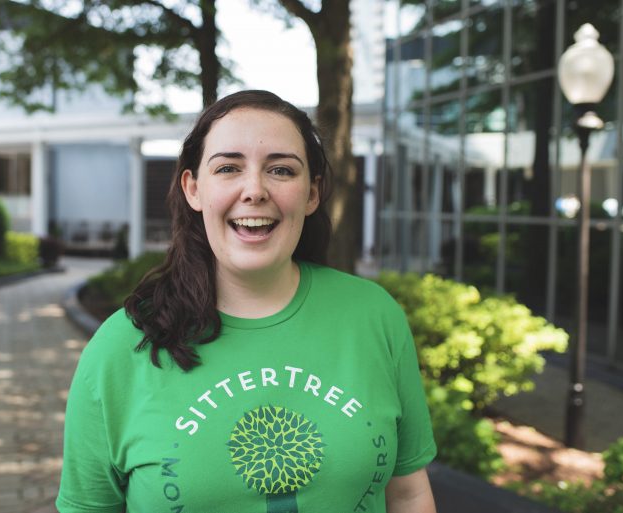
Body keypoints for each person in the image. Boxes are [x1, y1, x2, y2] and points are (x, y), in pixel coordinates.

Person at [56, 90, 437, 513]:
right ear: (193, 189)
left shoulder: (373, 316)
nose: (254, 190)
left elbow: (408, 492)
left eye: (280, 169)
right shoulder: (121, 348)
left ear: (312, 194)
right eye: (228, 168)